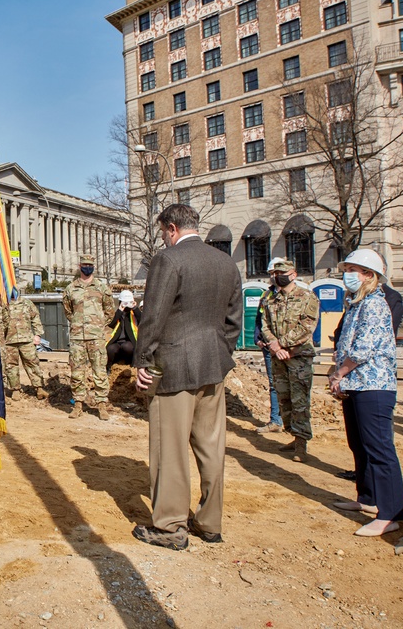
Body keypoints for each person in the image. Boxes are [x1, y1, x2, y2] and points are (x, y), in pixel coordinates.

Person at [132, 204, 242, 550]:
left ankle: (169, 527)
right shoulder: (226, 261)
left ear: (172, 228)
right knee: (211, 447)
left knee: (171, 449)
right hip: (214, 366)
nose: (163, 238)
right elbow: (233, 320)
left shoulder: (169, 260)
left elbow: (153, 317)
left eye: (163, 232)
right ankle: (210, 523)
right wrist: (220, 352)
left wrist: (143, 362)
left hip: (173, 367)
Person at [329, 249, 403, 537]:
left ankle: (391, 513)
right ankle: (368, 498)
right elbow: (345, 342)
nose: (346, 274)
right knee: (359, 445)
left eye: (352, 269)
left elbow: (363, 349)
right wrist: (337, 373)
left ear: (369, 275)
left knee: (379, 449)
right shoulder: (356, 304)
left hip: (373, 386)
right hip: (355, 384)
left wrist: (340, 373)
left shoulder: (375, 304)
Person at [261, 259, 320, 462]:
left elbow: (306, 327)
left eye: (282, 273)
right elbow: (265, 324)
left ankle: (302, 443)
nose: (278, 276)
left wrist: (283, 345)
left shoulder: (307, 297)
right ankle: (292, 436)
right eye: (275, 273)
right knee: (284, 399)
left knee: (300, 401)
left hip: (299, 357)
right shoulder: (270, 298)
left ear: (293, 274)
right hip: (279, 357)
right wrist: (274, 346)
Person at [62, 253, 116, 419]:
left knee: (99, 371)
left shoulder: (101, 287)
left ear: (93, 266)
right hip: (78, 337)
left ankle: (101, 405)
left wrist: (98, 325)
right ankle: (78, 404)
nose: (87, 267)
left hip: (96, 336)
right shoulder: (70, 289)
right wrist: (79, 324)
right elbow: (68, 312)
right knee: (77, 371)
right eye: (84, 264)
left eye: (90, 265)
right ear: (80, 267)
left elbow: (110, 311)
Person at [0, 294, 49, 399]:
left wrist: (38, 335)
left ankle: (39, 388)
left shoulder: (27, 302)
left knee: (33, 363)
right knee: (11, 366)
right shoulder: (2, 304)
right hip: (9, 341)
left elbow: (35, 318)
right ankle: (15, 389)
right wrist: (0, 340)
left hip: (27, 340)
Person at [254, 258, 284, 434]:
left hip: (290, 349)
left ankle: (296, 425)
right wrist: (257, 338)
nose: (273, 277)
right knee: (274, 384)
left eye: (276, 273)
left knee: (294, 385)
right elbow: (260, 319)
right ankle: (276, 420)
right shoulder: (266, 296)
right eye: (272, 274)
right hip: (269, 347)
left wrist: (283, 344)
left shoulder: (300, 295)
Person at [106, 290, 140, 370]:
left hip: (129, 341)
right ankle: (109, 367)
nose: (126, 305)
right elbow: (111, 323)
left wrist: (135, 308)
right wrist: (120, 310)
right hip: (117, 341)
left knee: (127, 347)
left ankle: (129, 363)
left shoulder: (133, 314)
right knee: (110, 348)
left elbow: (142, 320)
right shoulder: (118, 314)